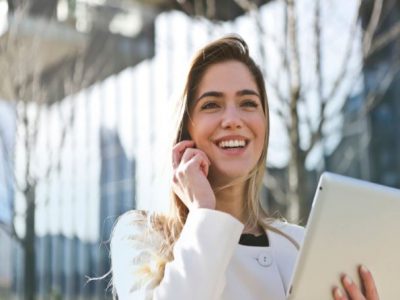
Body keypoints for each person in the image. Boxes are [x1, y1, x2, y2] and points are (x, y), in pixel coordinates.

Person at [110, 35, 379, 300]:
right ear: (185, 128)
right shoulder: (141, 237)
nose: (232, 119)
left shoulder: (301, 245)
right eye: (212, 104)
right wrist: (203, 212)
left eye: (248, 103)